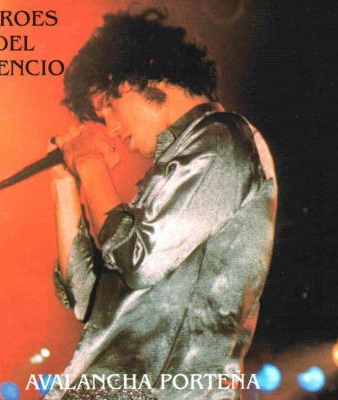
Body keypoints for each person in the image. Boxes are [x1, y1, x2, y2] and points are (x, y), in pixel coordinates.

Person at [44, 8, 277, 400]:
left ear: (147, 73)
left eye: (109, 104)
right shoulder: (172, 171)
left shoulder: (222, 139)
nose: (110, 127)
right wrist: (65, 183)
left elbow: (140, 261)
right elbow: (89, 300)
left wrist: (90, 163)